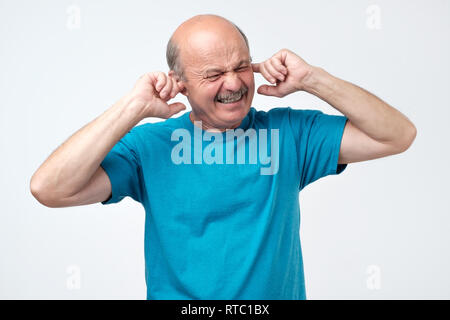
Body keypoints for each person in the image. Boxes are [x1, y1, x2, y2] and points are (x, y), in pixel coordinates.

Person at [30, 14, 416, 299]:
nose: (233, 83)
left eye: (241, 66)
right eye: (213, 73)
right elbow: (49, 188)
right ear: (179, 82)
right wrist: (131, 107)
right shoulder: (147, 147)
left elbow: (397, 135)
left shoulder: (290, 134)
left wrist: (312, 79)